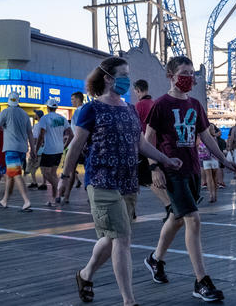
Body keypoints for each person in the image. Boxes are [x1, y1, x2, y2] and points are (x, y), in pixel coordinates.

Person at [58, 57, 182, 305]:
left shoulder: (129, 109)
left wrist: (165, 160)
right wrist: (65, 176)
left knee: (112, 237)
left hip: (128, 182)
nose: (127, 79)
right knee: (123, 239)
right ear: (108, 78)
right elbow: (75, 146)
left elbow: (141, 144)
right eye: (123, 74)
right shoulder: (90, 109)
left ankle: (85, 275)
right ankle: (129, 301)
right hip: (102, 181)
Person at [143, 56, 236, 302]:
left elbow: (206, 137)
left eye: (192, 73)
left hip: (193, 170)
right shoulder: (161, 104)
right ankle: (201, 281)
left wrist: (224, 160)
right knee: (193, 219)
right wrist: (155, 167)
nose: (189, 77)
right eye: (184, 72)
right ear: (170, 75)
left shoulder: (195, 105)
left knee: (177, 217)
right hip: (171, 169)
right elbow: (148, 137)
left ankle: (155, 259)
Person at [0, 92, 35, 211]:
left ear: (8, 101)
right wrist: (33, 149)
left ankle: (26, 201)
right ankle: (4, 200)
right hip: (22, 149)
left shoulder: (5, 112)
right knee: (11, 175)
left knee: (15, 174)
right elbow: (30, 134)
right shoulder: (25, 115)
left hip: (11, 149)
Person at [132, 79, 173, 221]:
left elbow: (134, 128)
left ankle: (169, 205)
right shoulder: (155, 104)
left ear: (137, 91)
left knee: (149, 180)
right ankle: (131, 210)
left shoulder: (139, 106)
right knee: (135, 180)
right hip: (156, 148)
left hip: (143, 149)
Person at [35, 98, 73, 206]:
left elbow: (41, 136)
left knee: (45, 172)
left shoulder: (45, 119)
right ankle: (54, 199)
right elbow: (71, 134)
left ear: (47, 107)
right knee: (53, 173)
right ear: (56, 108)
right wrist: (64, 146)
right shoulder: (62, 118)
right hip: (59, 150)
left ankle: (59, 190)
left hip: (49, 150)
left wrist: (35, 150)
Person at [60, 91, 86, 201]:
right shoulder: (86, 110)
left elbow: (76, 132)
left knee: (70, 171)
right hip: (85, 146)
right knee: (88, 171)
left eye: (72, 99)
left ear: (78, 99)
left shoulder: (77, 113)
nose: (71, 101)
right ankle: (91, 196)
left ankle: (66, 197)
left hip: (76, 146)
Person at [25, 110, 44, 189]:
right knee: (43, 167)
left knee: (32, 165)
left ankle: (34, 181)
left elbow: (35, 138)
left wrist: (33, 149)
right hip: (45, 149)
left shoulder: (37, 126)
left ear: (38, 116)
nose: (34, 115)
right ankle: (44, 183)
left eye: (35, 114)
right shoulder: (45, 124)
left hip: (38, 149)